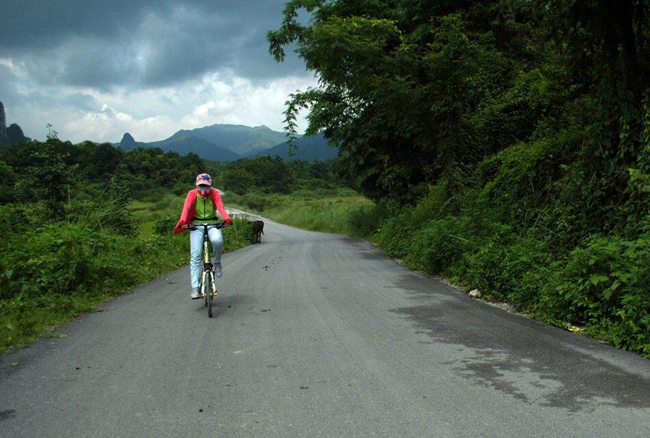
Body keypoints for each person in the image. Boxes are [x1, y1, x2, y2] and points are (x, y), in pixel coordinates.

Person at [174, 173, 233, 299]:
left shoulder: (214, 193)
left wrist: (227, 218)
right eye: (201, 186)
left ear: (210, 186)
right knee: (195, 255)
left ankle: (217, 262)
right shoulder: (192, 194)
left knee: (218, 241)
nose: (203, 189)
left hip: (212, 223)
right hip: (196, 225)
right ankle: (195, 287)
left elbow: (220, 207)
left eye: (206, 186)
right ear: (197, 185)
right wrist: (183, 221)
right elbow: (186, 207)